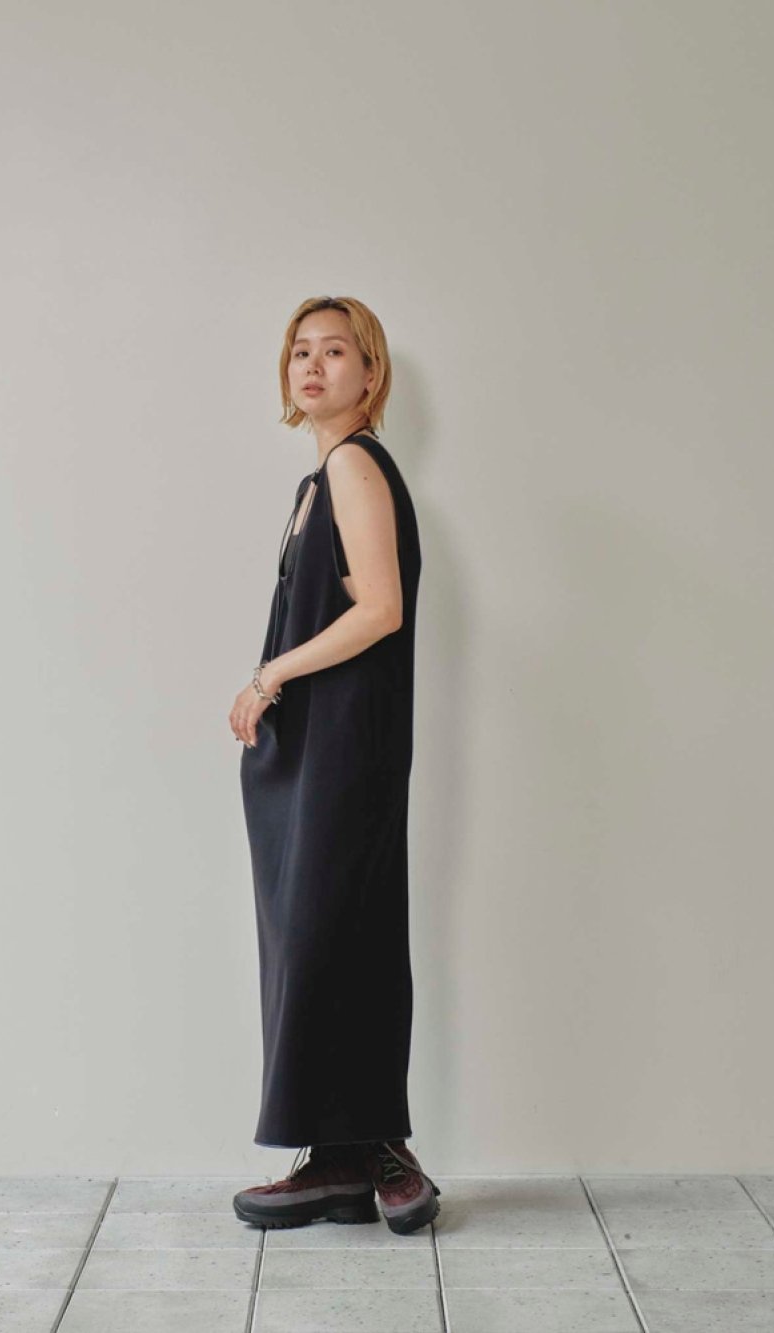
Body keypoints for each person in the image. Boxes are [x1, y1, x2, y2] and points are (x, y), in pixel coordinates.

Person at [229, 296, 440, 1235]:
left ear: (371, 373)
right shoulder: (316, 482)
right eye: (300, 352)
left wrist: (269, 673)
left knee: (338, 930)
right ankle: (339, 1156)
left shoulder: (354, 464)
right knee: (315, 936)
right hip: (314, 751)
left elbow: (380, 608)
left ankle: (383, 1148)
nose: (312, 366)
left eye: (336, 351)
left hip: (346, 745)